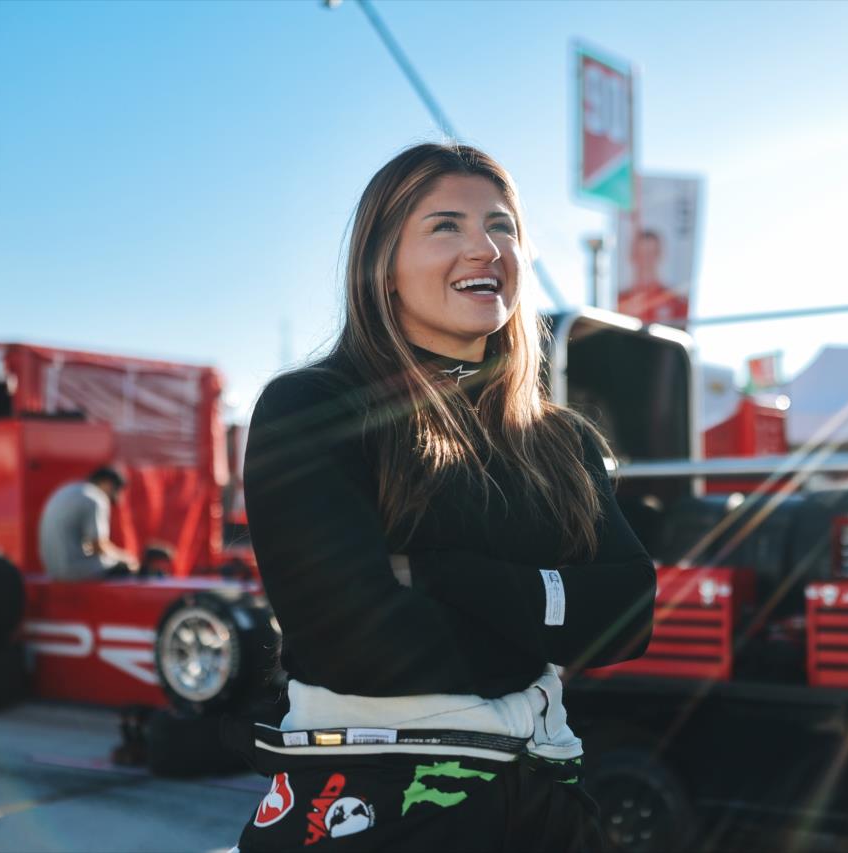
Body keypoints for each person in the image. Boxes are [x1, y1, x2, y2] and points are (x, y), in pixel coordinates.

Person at [229, 143, 656, 852]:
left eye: (503, 226)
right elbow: (353, 638)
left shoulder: (564, 438)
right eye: (446, 226)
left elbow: (630, 612)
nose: (484, 248)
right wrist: (541, 623)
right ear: (383, 265)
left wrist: (437, 574)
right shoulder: (312, 407)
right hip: (376, 811)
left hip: (545, 801)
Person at [37, 466, 138, 580]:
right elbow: (99, 545)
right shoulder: (95, 497)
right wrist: (126, 558)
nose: (118, 498)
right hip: (73, 570)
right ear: (107, 483)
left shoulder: (67, 489)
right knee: (127, 568)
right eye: (117, 490)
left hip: (53, 570)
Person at [617, 229, 689, 326]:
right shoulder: (619, 301)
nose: (646, 261)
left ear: (660, 255)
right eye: (641, 254)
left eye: (650, 254)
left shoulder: (677, 302)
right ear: (632, 256)